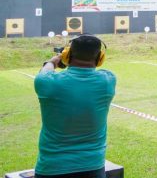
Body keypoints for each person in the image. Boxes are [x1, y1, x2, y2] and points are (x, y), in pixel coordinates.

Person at [34, 34, 116, 178]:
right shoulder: (108, 81)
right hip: (93, 168)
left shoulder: (47, 82)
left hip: (52, 168)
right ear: (99, 58)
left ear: (67, 55)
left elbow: (45, 71)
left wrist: (53, 60)